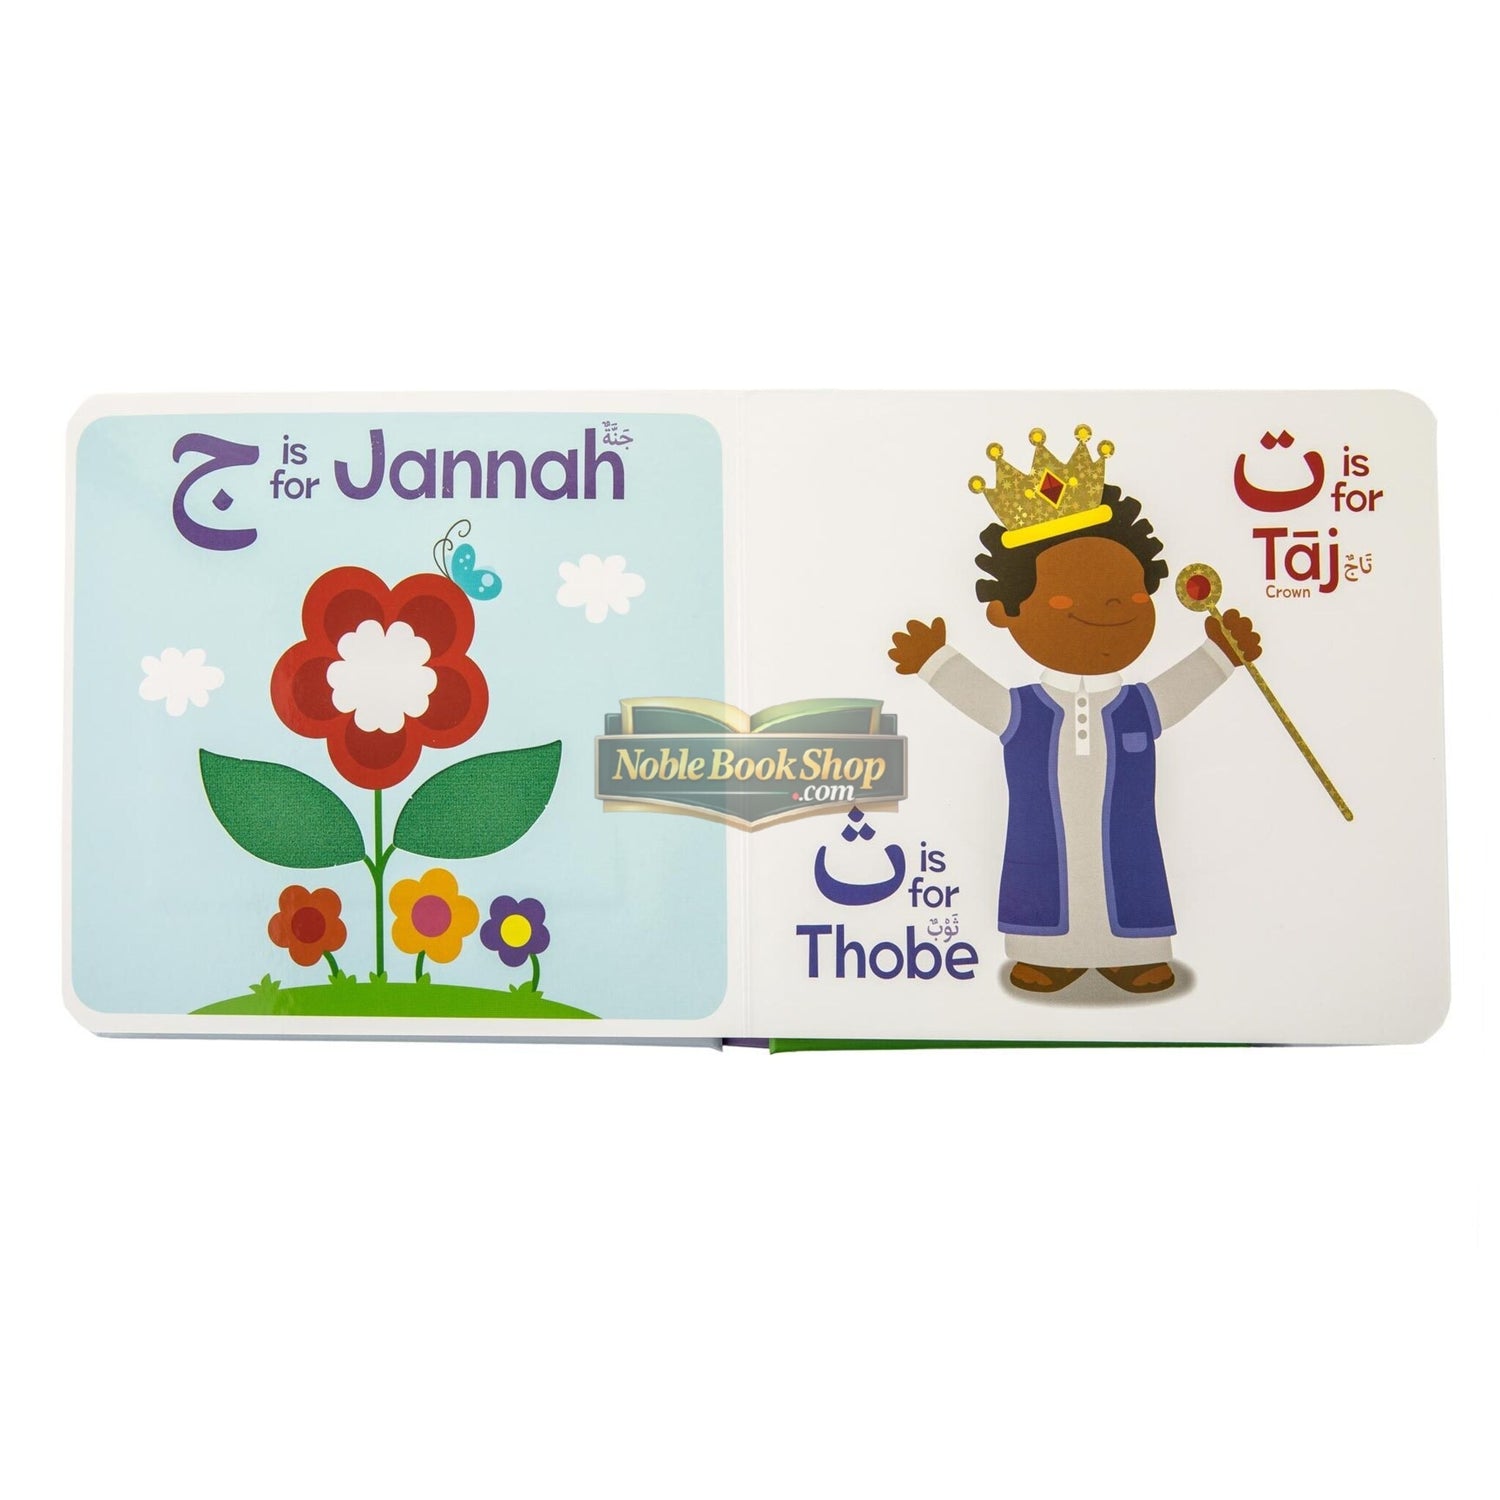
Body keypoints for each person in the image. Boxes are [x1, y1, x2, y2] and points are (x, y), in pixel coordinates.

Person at [890, 480, 1259, 995]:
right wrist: (935, 660)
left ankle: (1136, 954)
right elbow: (978, 695)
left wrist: (1220, 655)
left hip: (1130, 846)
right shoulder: (1022, 711)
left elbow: (1182, 689)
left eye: (1133, 596)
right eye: (1068, 597)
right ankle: (1045, 954)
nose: (1112, 607)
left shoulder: (1138, 706)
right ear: (1006, 612)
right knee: (1042, 878)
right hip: (1038, 848)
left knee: (1131, 875)